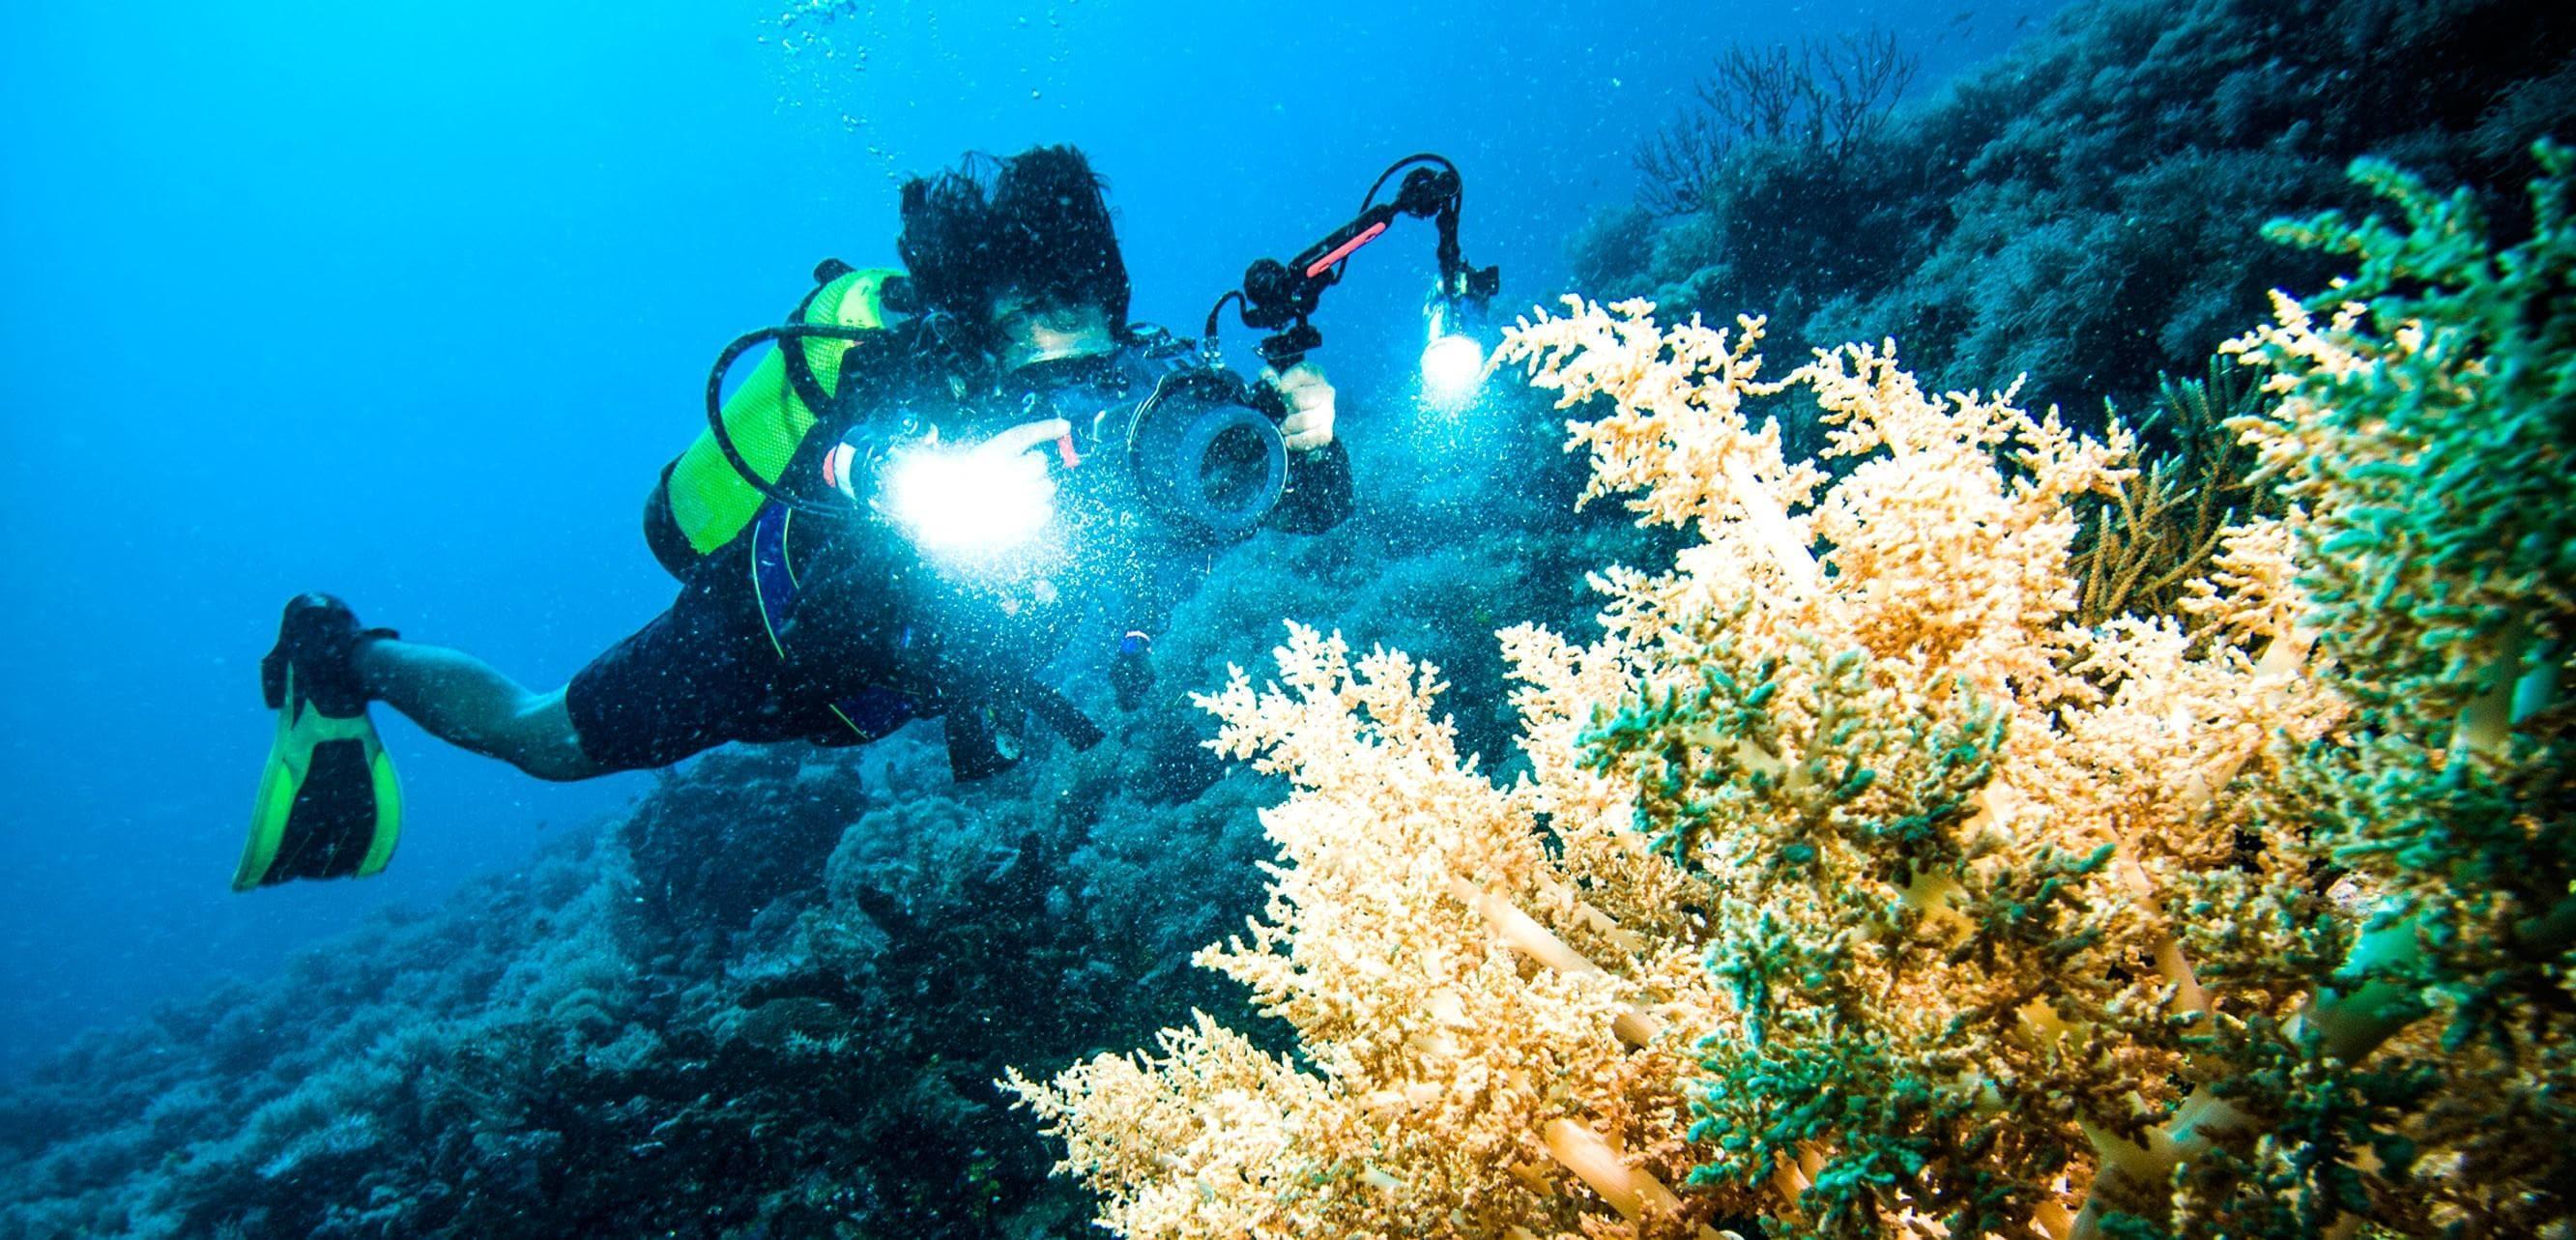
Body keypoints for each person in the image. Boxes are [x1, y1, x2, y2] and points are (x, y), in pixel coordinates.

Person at [239, 146, 1354, 890]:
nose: (1073, 383)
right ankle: (346, 651)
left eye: (1090, 330)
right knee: (547, 741)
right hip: (764, 640)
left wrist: (1308, 440)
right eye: (1031, 344)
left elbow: (1304, 508)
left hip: (918, 679)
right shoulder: (917, 394)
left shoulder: (1155, 390)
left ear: (1114, 303)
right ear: (977, 332)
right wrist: (910, 489)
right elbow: (842, 570)